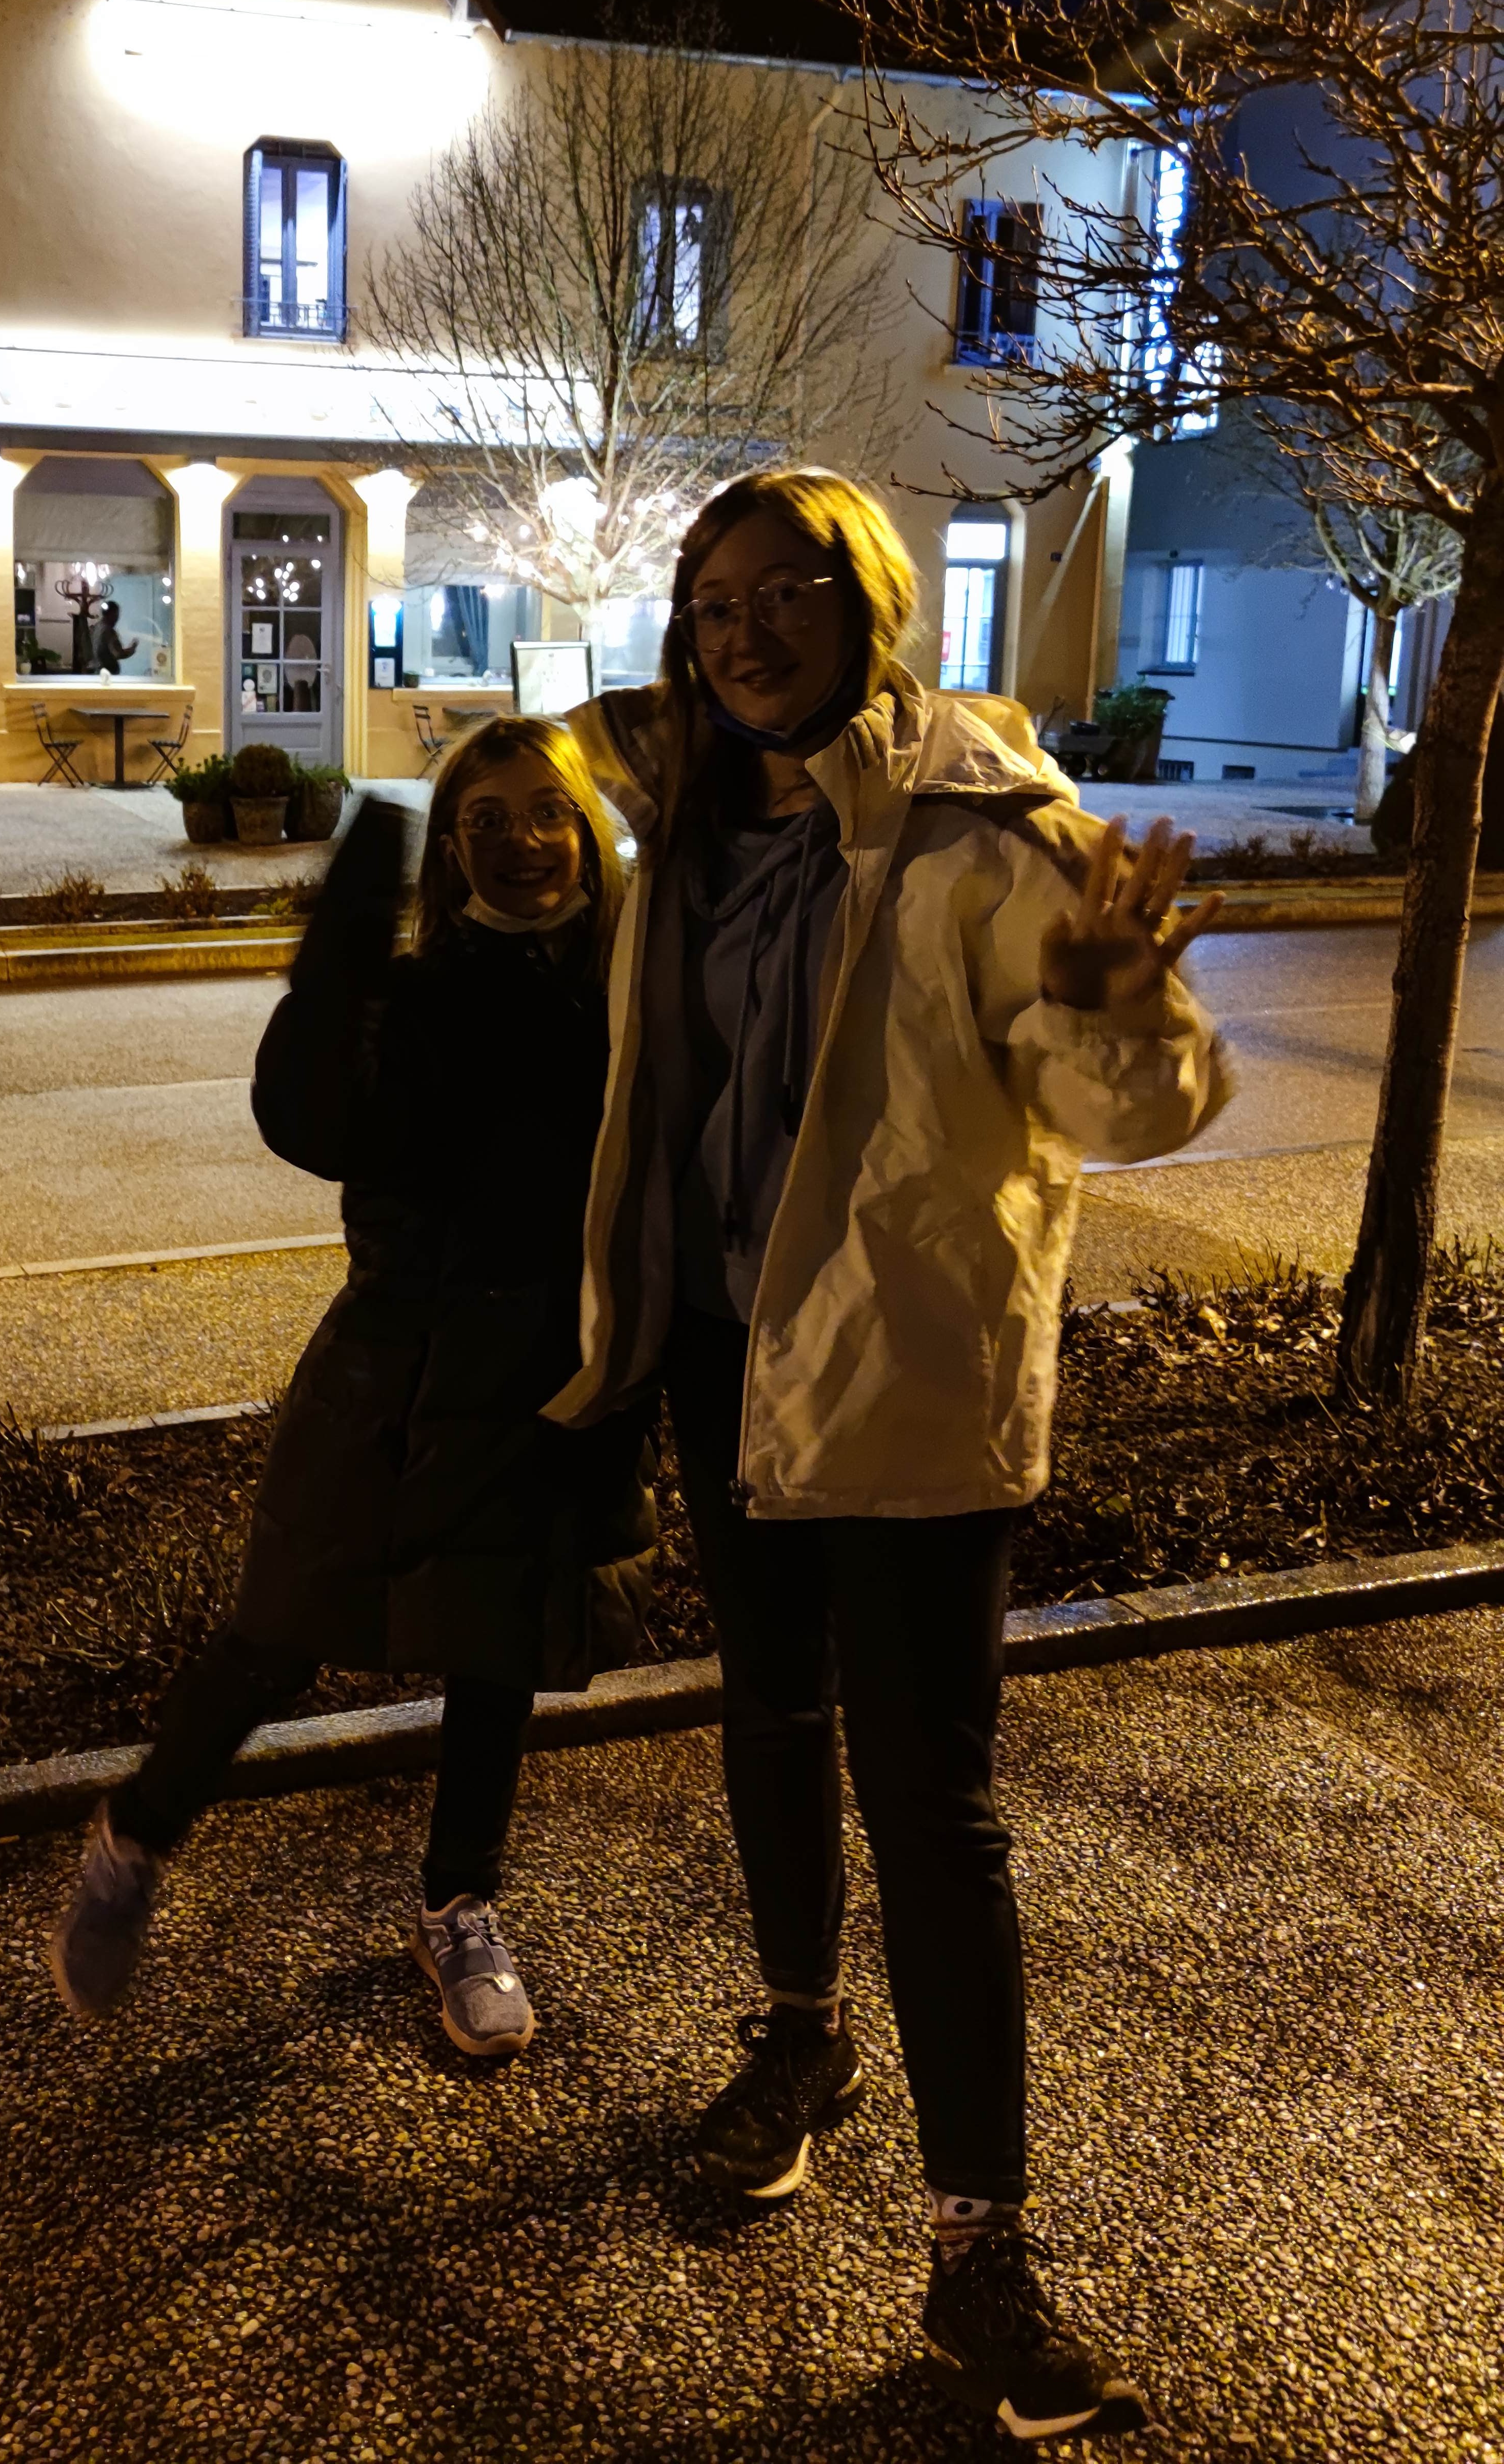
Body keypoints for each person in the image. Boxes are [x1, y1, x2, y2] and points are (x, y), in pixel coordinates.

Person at [555, 468, 1225, 2443]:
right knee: (768, 1717)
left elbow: (1133, 1109)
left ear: (870, 610)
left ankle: (980, 2248)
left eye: (788, 593)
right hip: (726, 1359)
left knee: (932, 1807)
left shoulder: (989, 836)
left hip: (913, 1379)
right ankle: (800, 2044)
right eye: (714, 602)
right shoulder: (685, 825)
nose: (745, 630)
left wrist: (1119, 1008)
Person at [49, 722, 656, 2056]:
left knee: (496, 1650)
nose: (521, 842)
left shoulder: (628, 991)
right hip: (398, 1370)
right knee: (278, 1630)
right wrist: (343, 941)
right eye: (483, 820)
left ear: (588, 833)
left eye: (547, 812)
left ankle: (460, 1905)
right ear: (452, 852)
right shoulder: (417, 994)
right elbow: (313, 1121)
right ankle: (135, 1837)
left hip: (549, 1376)